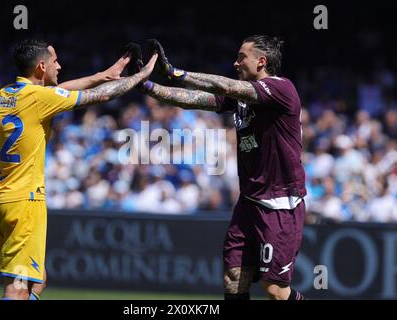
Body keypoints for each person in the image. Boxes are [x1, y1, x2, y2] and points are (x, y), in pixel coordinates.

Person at [126, 36, 307, 300]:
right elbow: (197, 99)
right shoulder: (241, 97)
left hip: (280, 203)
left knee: (276, 291)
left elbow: (224, 85)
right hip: (248, 203)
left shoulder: (282, 89)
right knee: (233, 280)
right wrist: (149, 86)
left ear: (262, 62)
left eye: (241, 57)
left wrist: (177, 73)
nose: (235, 63)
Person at [0, 39, 157, 300]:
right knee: (18, 286)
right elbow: (104, 96)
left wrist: (102, 75)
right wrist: (141, 76)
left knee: (37, 280)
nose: (59, 66)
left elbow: (58, 91)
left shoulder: (5, 94)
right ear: (41, 67)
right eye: (55, 62)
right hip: (23, 202)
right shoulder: (41, 98)